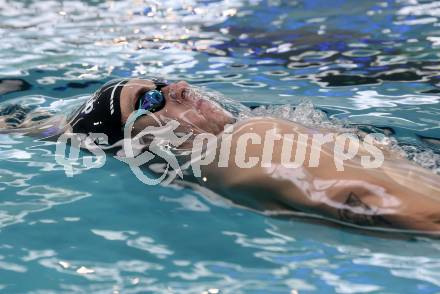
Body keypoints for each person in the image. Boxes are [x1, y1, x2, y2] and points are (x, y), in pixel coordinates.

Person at [2, 78, 440, 234]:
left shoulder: (236, 148)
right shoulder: (249, 141)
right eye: (152, 100)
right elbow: (363, 195)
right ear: (138, 143)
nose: (178, 88)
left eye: (162, 81)